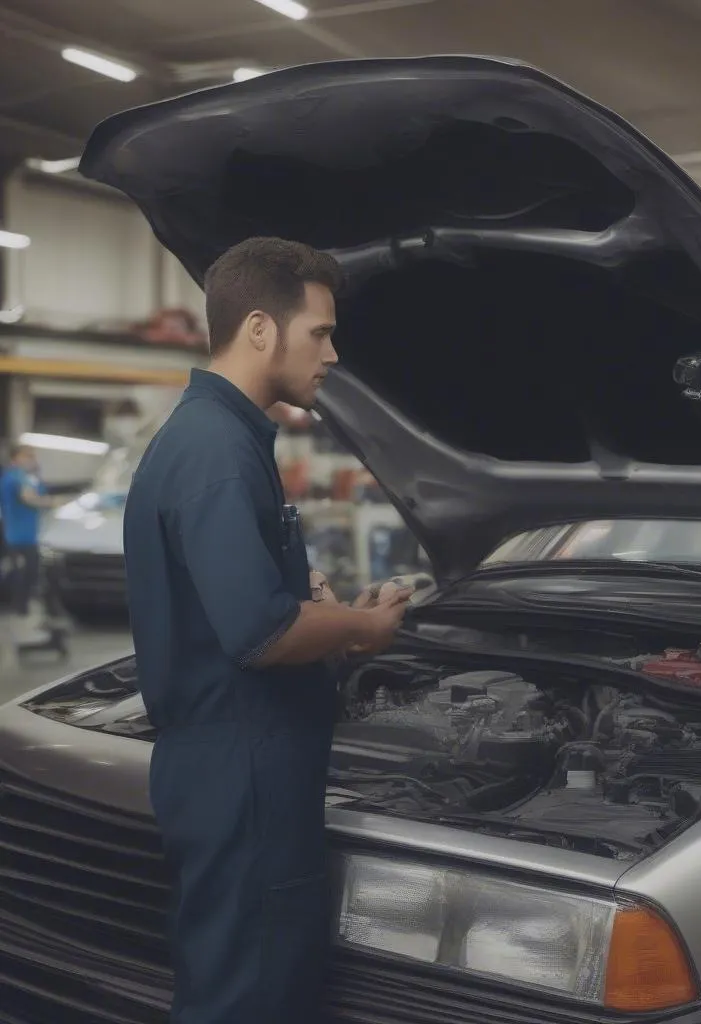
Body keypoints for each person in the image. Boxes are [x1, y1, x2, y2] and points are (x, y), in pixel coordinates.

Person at [122, 237, 412, 1024]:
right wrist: (360, 628)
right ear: (259, 329)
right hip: (243, 772)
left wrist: (306, 592)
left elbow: (241, 597)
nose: (333, 353)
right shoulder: (217, 450)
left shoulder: (220, 436)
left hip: (234, 767)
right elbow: (258, 634)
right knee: (248, 996)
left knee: (244, 980)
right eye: (319, 332)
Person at [0, 444, 62, 642]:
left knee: (32, 576)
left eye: (33, 456)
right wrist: (54, 502)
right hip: (18, 539)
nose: (32, 459)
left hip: (31, 537)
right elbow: (30, 498)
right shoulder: (14, 476)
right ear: (15, 458)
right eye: (27, 456)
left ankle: (26, 620)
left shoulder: (29, 478)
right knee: (22, 579)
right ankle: (21, 620)